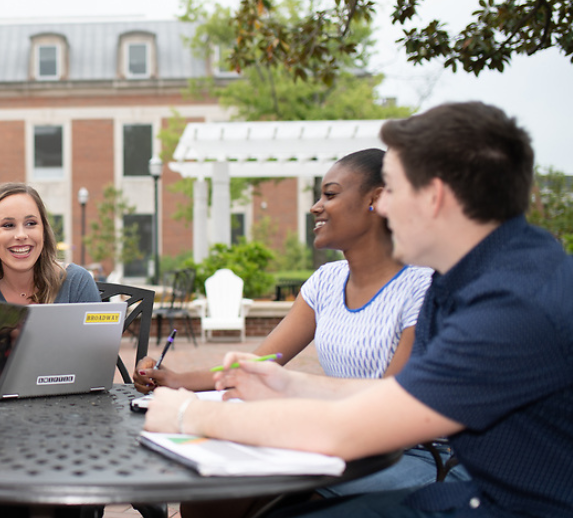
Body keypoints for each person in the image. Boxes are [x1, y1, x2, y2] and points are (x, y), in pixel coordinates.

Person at [144, 102, 573, 518]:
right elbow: (399, 392)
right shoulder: (471, 276)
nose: (383, 207)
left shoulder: (511, 304)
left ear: (435, 196)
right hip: (486, 492)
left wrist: (190, 414)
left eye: (395, 190)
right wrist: (288, 383)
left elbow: (347, 431)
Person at [135, 149, 457, 506]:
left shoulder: (424, 287)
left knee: (268, 501)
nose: (316, 207)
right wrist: (176, 379)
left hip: (416, 454)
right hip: (338, 439)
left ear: (376, 199)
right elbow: (258, 364)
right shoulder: (326, 281)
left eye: (330, 195)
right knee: (208, 501)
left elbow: (388, 407)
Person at [0, 182, 101, 375]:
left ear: (44, 231)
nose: (21, 235)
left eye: (31, 223)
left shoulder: (77, 282)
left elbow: (96, 371)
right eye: (8, 225)